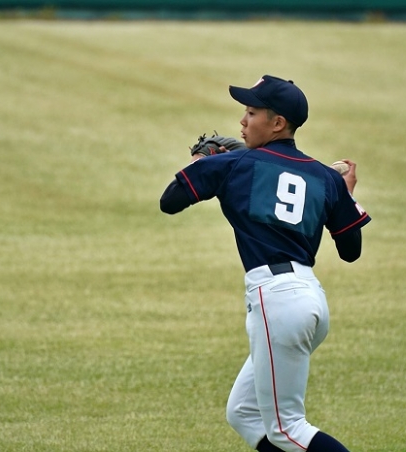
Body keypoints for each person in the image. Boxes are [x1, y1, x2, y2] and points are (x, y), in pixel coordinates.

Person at [159, 75, 371, 452]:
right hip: (310, 301)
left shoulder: (235, 163)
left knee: (288, 429)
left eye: (252, 112)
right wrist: (346, 195)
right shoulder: (325, 178)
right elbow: (350, 250)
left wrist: (201, 164)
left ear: (278, 123)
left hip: (278, 302)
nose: (242, 121)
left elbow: (170, 201)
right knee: (243, 412)